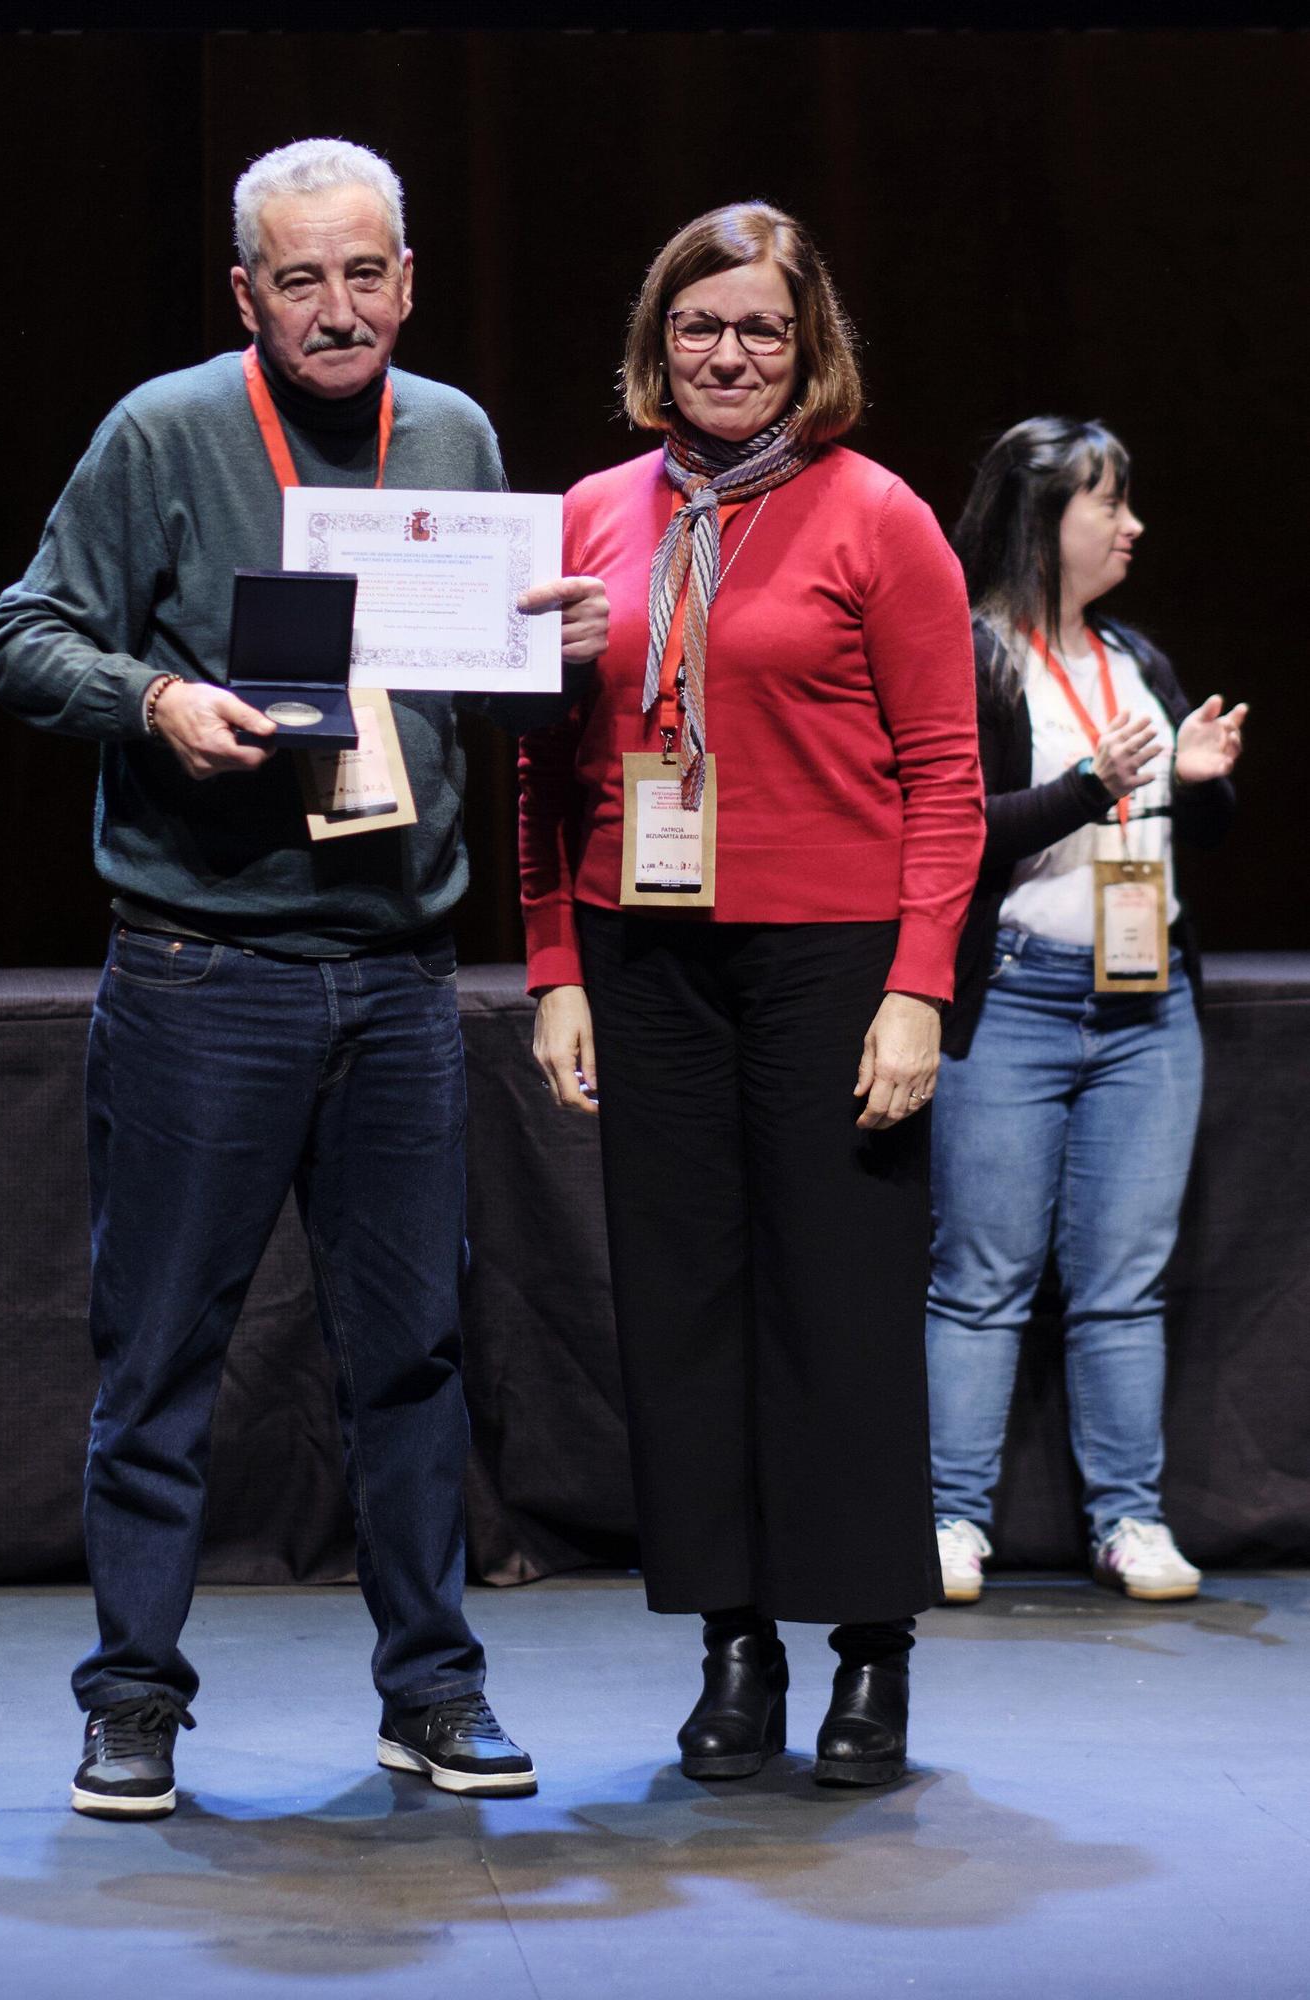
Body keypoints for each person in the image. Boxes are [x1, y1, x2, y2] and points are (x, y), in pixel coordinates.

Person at [0, 137, 607, 1817]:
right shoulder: (166, 430)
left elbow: (484, 688)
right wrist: (154, 702)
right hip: (207, 973)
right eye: (301, 277)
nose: (337, 307)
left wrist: (559, 653)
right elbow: (23, 635)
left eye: (364, 273)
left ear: (409, 281)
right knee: (159, 1360)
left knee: (414, 1356)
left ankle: (434, 1689)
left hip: (399, 978)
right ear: (246, 293)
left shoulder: (455, 437)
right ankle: (131, 1700)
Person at [519, 203, 984, 1786]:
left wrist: (916, 989)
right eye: (698, 326)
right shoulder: (591, 513)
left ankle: (868, 1651)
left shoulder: (877, 516)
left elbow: (944, 777)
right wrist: (552, 968)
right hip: (642, 954)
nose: (727, 354)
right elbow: (539, 771)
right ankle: (732, 1645)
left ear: (806, 346)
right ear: (657, 343)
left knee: (835, 1307)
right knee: (681, 1308)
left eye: (759, 329)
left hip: (829, 960)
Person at [927, 417, 1245, 1608]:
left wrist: (1196, 783)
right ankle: (950, 1516)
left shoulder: (1135, 658)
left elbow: (1188, 830)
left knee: (1123, 1281)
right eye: (1106, 503)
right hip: (1014, 995)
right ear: (1039, 517)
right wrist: (1083, 786)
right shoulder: (973, 657)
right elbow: (953, 833)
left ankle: (1130, 1518)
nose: (1131, 525)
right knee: (981, 1275)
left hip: (1145, 1003)